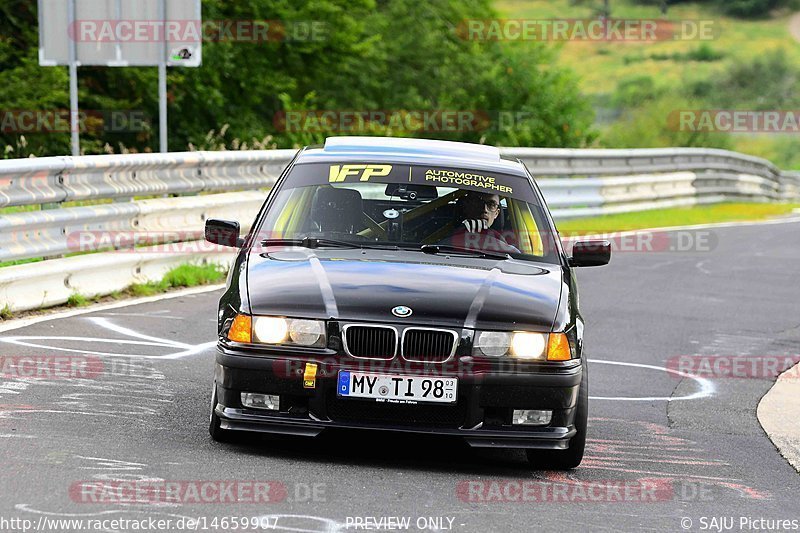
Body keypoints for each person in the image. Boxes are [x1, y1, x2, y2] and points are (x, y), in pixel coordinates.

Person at [447, 191, 520, 253]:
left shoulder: (505, 246)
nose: (484, 209)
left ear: (496, 213)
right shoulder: (443, 242)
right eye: (478, 202)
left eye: (491, 205)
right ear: (467, 207)